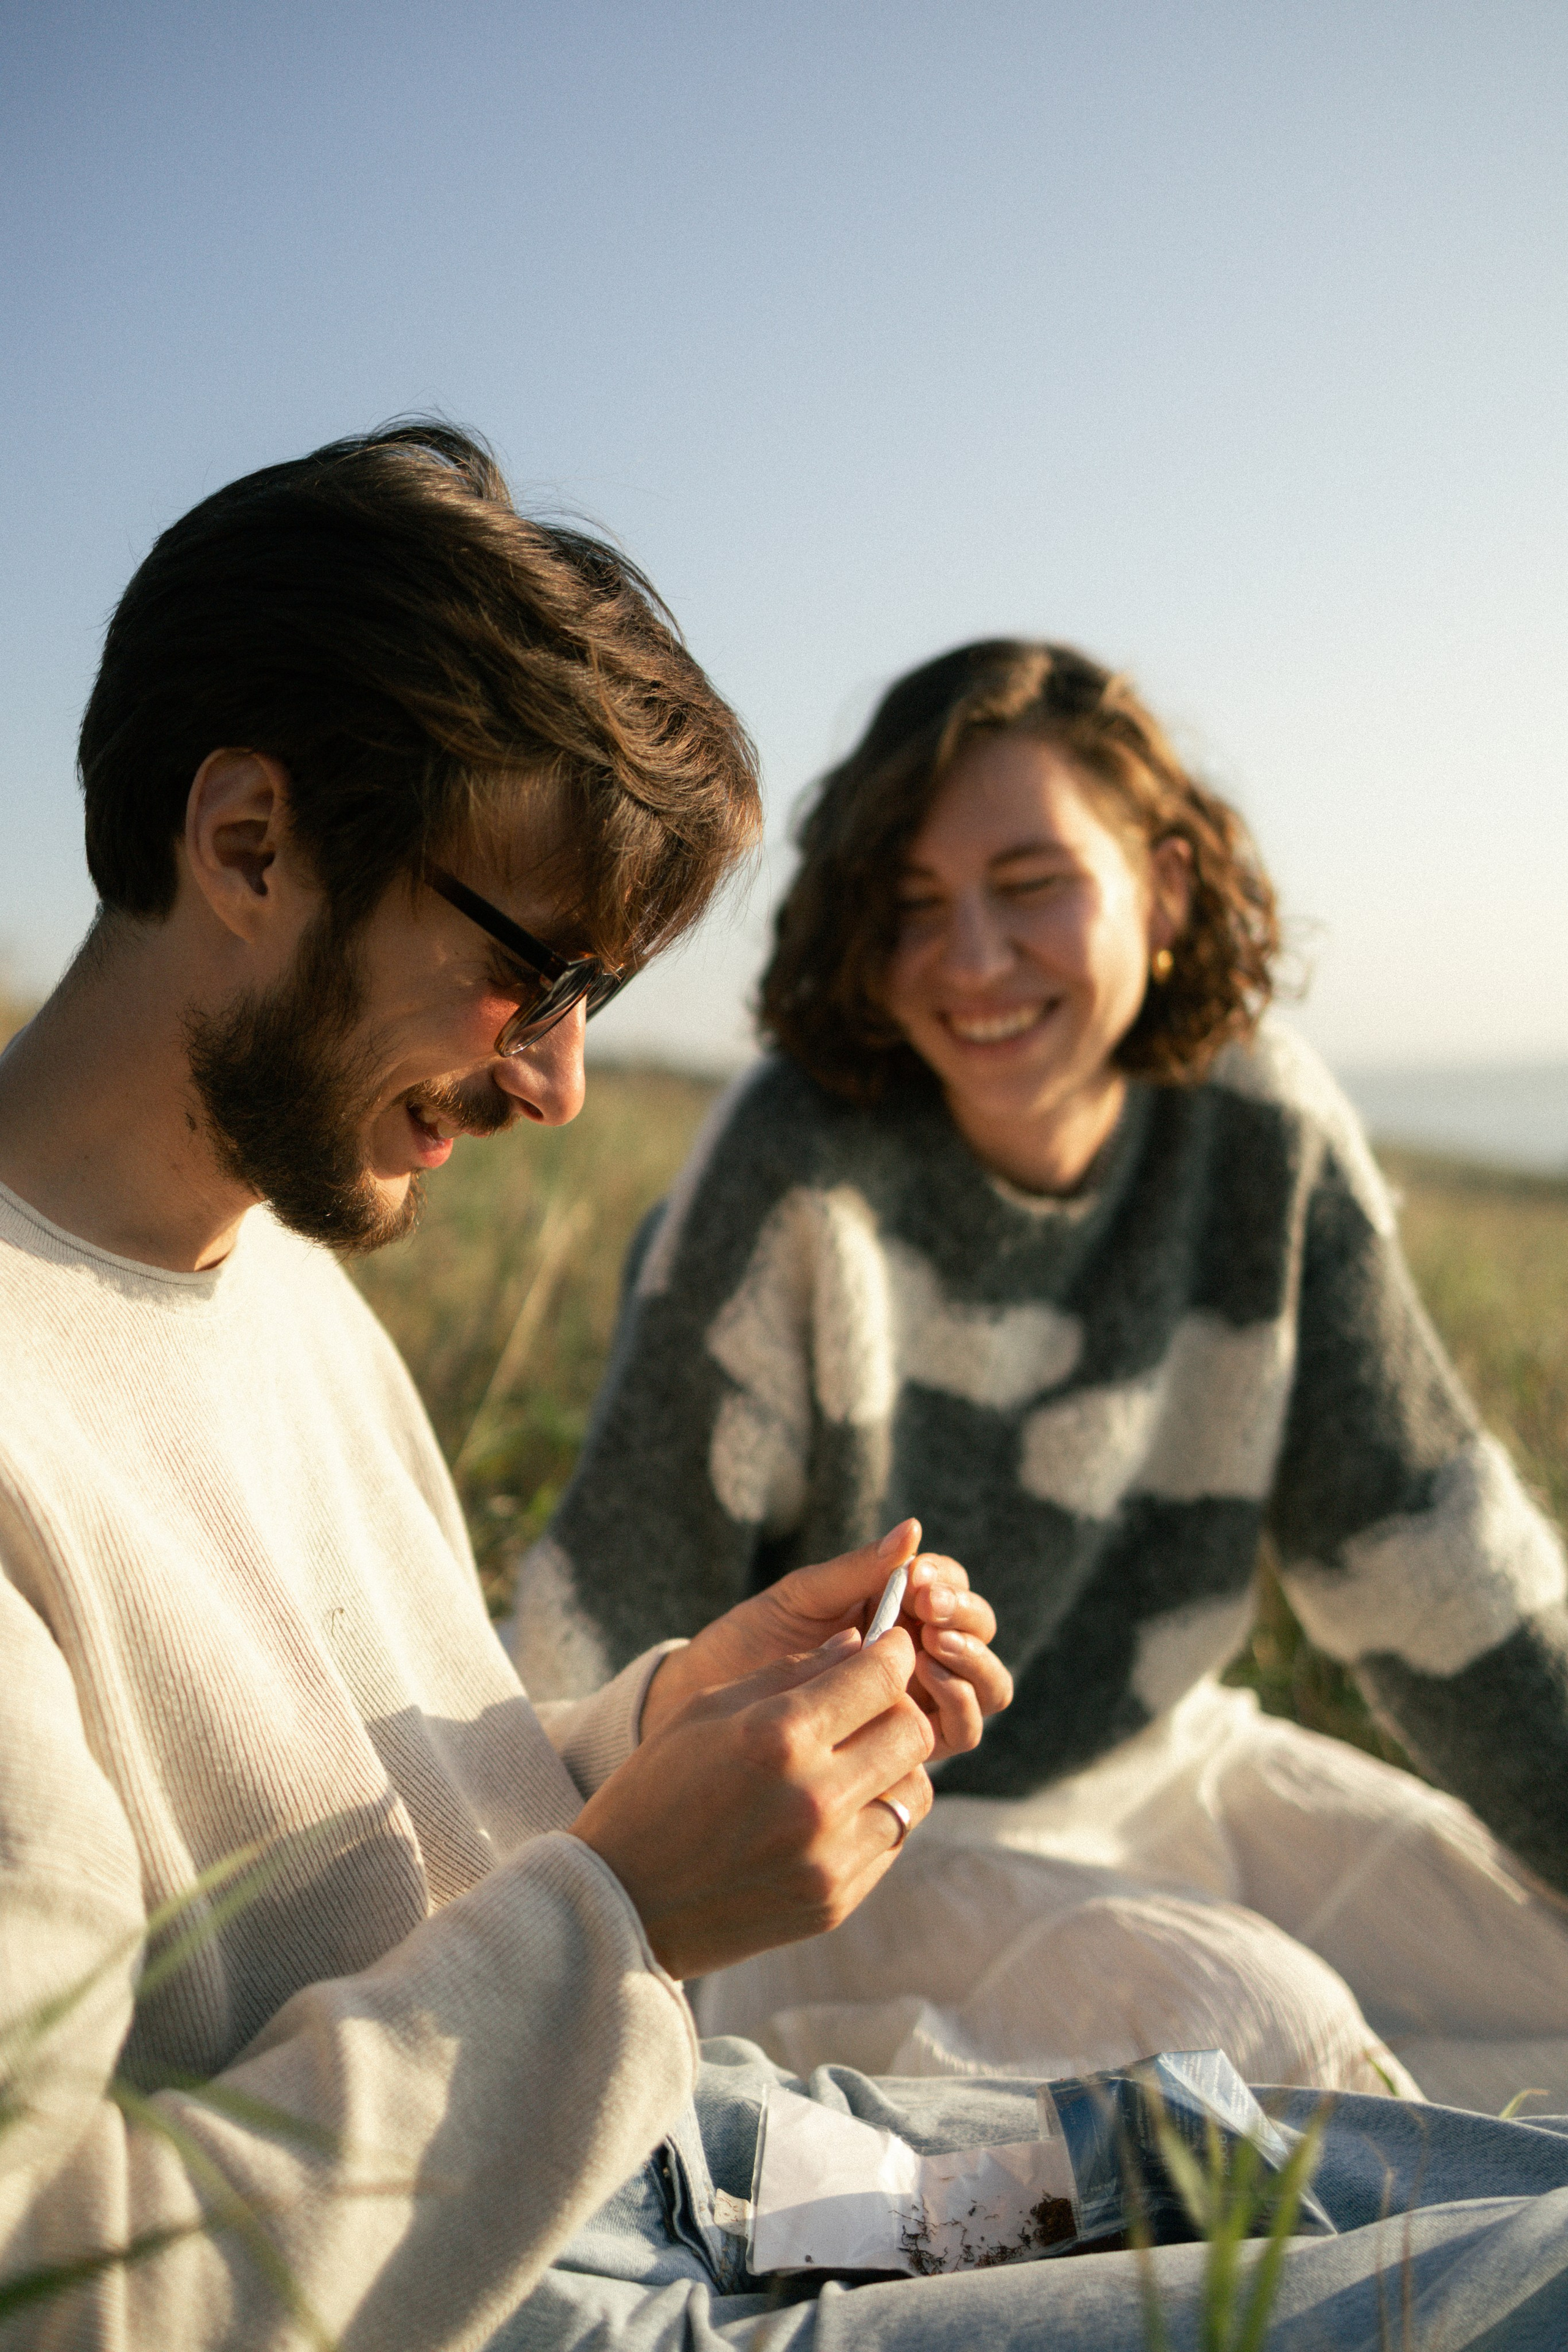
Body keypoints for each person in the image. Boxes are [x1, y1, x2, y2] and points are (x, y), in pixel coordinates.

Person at [4, 447, 1567, 2352]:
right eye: (525, 968)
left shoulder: (281, 1268)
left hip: (706, 2162)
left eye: (601, 987)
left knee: (1459, 2177)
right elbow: (58, 2278)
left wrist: (656, 1723)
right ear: (249, 842)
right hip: (575, 2290)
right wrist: (628, 1910)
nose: (564, 1083)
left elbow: (372, 1866)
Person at [523, 637, 1568, 2114]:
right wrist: (525, 1942)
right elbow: (600, 1610)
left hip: (1176, 1768)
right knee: (1258, 2028)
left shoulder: (1260, 1127)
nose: (968, 961)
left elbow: (1434, 1570)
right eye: (908, 909)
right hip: (875, 1834)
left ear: (1167, 888)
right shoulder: (791, 1158)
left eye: (1029, 887)